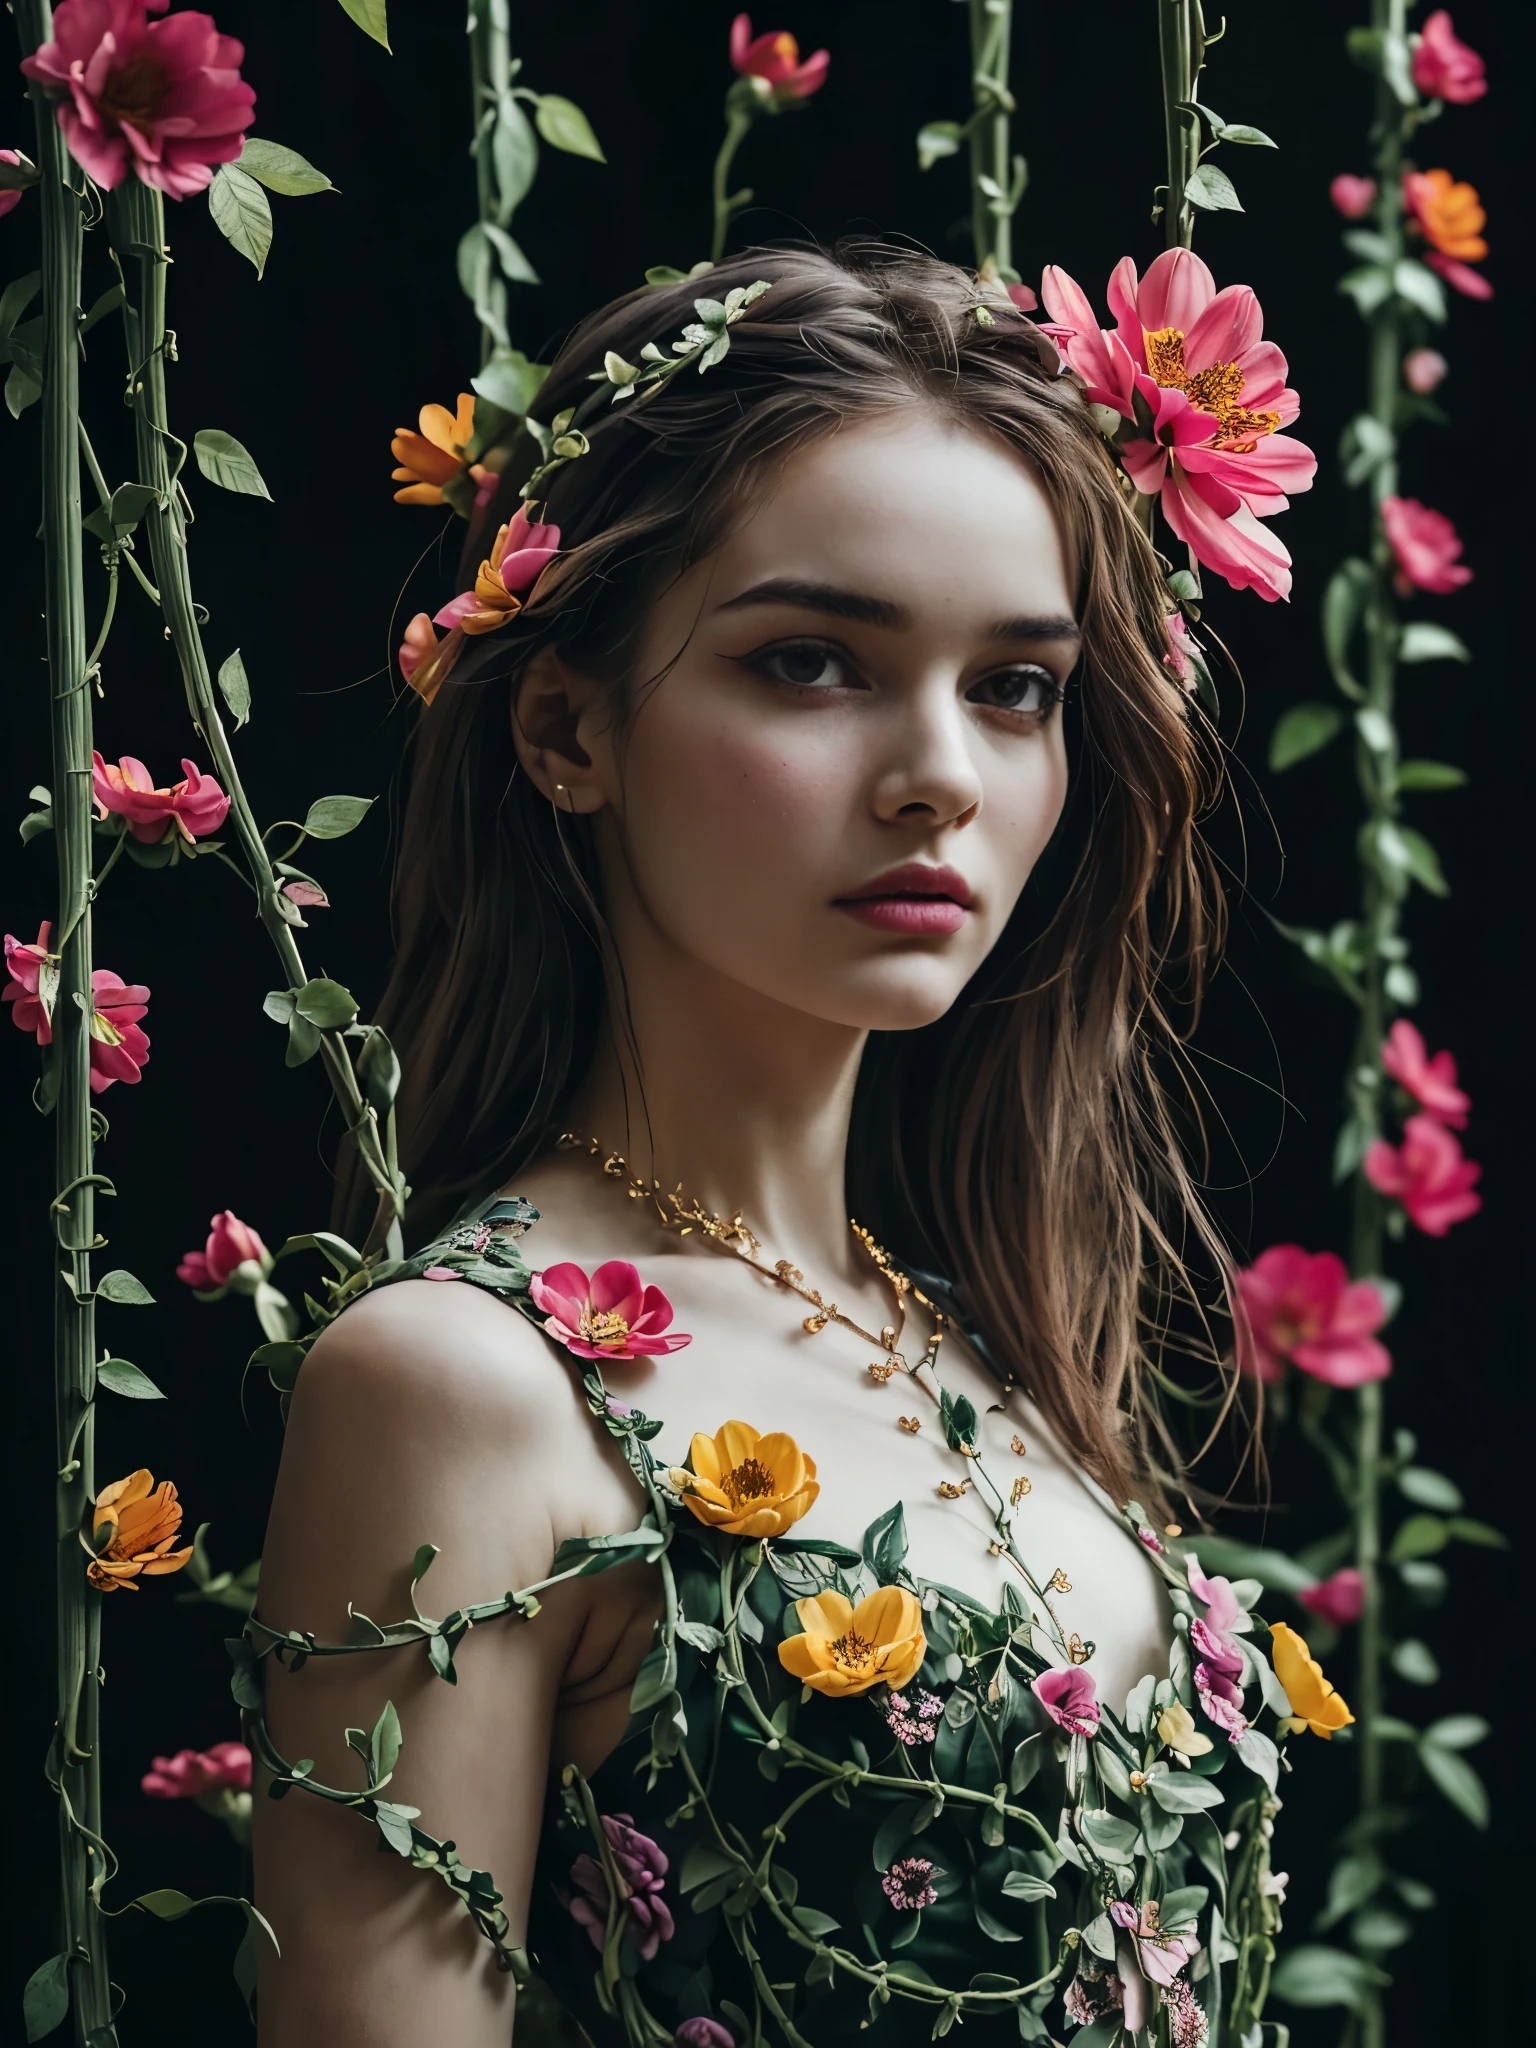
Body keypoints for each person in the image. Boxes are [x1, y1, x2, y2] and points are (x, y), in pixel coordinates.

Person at [251, 242, 1263, 2048]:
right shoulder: (464, 1386)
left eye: (1017, 688)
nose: (939, 771)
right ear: (566, 725)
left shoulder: (975, 1331)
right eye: (814, 663)